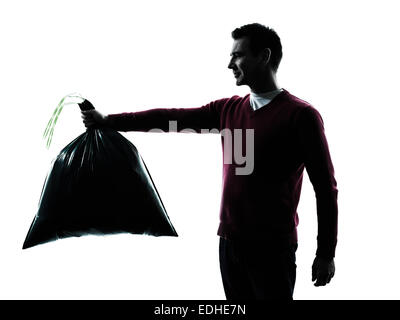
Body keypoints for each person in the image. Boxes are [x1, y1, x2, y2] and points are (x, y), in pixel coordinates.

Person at [81, 23, 338, 300]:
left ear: (264, 56)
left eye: (237, 55)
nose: (230, 64)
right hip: (229, 244)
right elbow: (171, 118)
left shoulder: (301, 116)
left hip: (271, 250)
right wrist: (110, 122)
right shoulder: (228, 109)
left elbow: (325, 189)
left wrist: (326, 253)